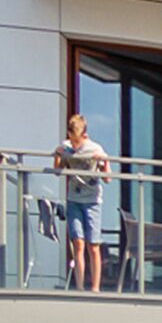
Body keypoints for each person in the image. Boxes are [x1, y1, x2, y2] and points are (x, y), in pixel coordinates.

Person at [50, 113, 110, 292]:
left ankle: (95, 287)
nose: (74, 145)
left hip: (92, 201)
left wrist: (104, 162)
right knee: (78, 243)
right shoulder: (66, 147)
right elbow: (57, 171)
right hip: (74, 200)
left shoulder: (95, 149)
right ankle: (81, 287)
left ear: (85, 136)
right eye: (71, 141)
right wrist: (58, 155)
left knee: (93, 245)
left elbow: (107, 179)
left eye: (77, 142)